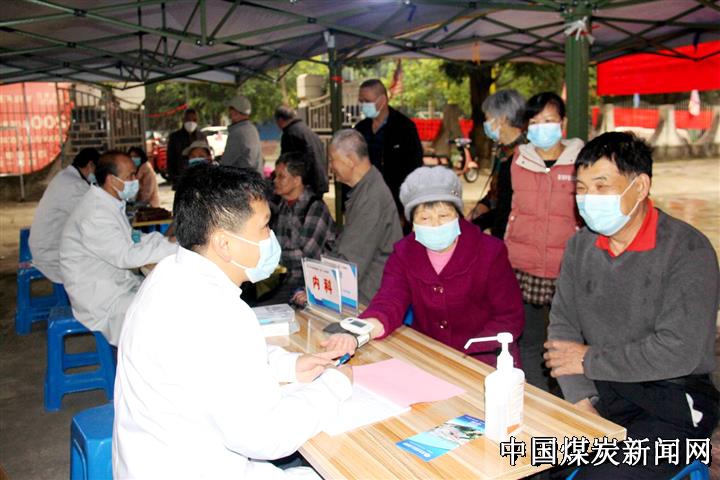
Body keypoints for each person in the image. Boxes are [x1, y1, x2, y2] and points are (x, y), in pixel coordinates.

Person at [113, 164, 352, 479]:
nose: (271, 238)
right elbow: (267, 436)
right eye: (264, 227)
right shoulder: (219, 313)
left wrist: (290, 365)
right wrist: (334, 386)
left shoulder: (169, 273)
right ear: (224, 244)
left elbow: (220, 361)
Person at [545, 132, 719, 479]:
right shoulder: (580, 247)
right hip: (600, 391)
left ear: (639, 187)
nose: (588, 199)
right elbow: (562, 332)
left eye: (601, 186)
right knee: (534, 460)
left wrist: (588, 359)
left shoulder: (688, 251)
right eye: (581, 189)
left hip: (673, 400)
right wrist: (583, 405)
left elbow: (678, 352)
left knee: (604, 475)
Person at [326, 167, 524, 366]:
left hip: (485, 360)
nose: (436, 225)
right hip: (429, 357)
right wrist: (360, 332)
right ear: (412, 223)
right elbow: (390, 300)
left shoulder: (490, 252)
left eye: (444, 215)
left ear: (458, 215)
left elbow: (509, 317)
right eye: (425, 218)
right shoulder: (404, 253)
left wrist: (470, 356)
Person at [504, 92, 584, 393]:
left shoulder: (581, 161)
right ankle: (536, 398)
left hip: (567, 268)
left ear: (563, 122)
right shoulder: (518, 159)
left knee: (566, 344)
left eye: (549, 120)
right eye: (535, 122)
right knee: (529, 340)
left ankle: (570, 400)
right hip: (524, 268)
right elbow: (509, 208)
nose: (542, 128)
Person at [59, 150, 177, 345]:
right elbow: (126, 256)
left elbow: (131, 239)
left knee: (165, 295)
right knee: (166, 314)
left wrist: (164, 242)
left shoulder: (109, 204)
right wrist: (173, 248)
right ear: (111, 180)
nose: (135, 180)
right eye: (130, 176)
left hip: (115, 285)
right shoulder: (96, 213)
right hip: (101, 300)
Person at [328, 129, 402, 305]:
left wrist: (320, 288)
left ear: (350, 160)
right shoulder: (365, 189)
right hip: (365, 289)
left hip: (370, 298)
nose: (330, 166)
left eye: (332, 160)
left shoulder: (372, 197)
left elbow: (351, 261)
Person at [354, 79, 423, 226]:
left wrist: (404, 211)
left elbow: (414, 170)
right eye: (361, 101)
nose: (363, 105)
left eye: (367, 101)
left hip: (396, 207)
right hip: (365, 206)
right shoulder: (360, 129)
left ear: (383, 100)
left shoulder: (404, 128)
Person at [270, 152, 336, 303]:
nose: (275, 180)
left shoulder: (316, 208)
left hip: (312, 284)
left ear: (297, 180)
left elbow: (306, 256)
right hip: (289, 280)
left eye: (281, 176)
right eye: (275, 176)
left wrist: (271, 256)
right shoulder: (282, 206)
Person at [29, 148, 100, 283]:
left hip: (48, 247)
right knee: (100, 265)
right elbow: (93, 216)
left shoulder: (66, 177)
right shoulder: (73, 184)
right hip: (51, 254)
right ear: (90, 165)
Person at [467, 89, 526, 239]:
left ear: (502, 119)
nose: (486, 124)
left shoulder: (525, 154)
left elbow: (510, 204)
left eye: (488, 118)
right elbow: (497, 191)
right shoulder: (504, 151)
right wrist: (484, 205)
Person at [275, 105, 328, 195]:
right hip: (318, 180)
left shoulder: (290, 134)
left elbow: (286, 162)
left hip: (306, 184)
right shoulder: (305, 130)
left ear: (280, 120)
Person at [221, 95, 264, 175]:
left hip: (243, 180)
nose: (229, 114)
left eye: (230, 110)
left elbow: (225, 164)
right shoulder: (252, 129)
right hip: (255, 179)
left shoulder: (237, 133)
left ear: (235, 112)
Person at [167, 108, 206, 187]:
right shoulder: (175, 137)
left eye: (194, 120)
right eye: (188, 119)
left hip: (199, 179)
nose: (191, 122)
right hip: (181, 179)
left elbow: (207, 156)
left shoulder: (201, 136)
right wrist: (174, 179)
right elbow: (170, 159)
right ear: (183, 120)